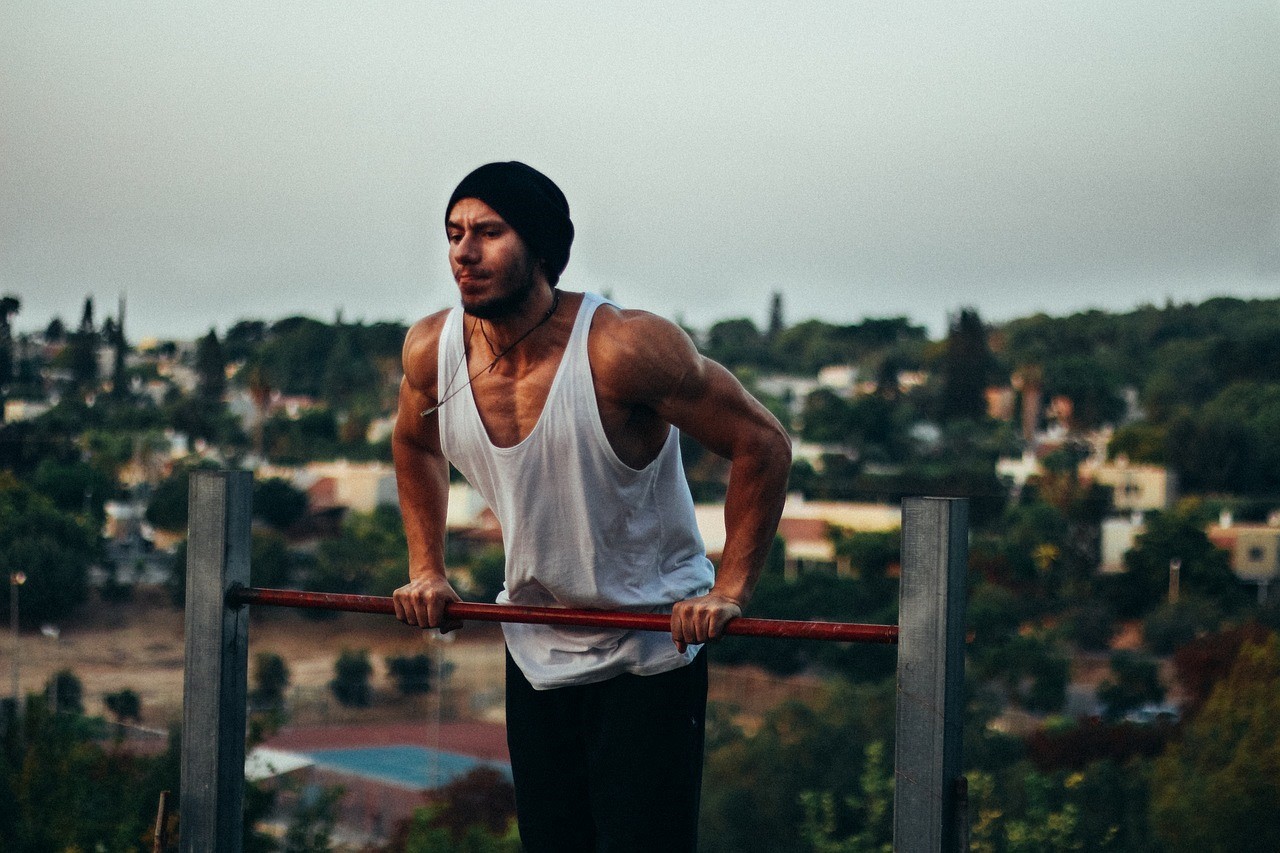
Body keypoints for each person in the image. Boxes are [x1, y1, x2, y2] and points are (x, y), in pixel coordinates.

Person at [392, 161, 792, 852]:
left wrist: (729, 588)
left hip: (651, 642)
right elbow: (413, 443)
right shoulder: (432, 351)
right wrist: (426, 567)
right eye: (455, 233)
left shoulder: (622, 348)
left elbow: (763, 442)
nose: (463, 251)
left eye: (489, 232)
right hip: (536, 639)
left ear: (541, 248)